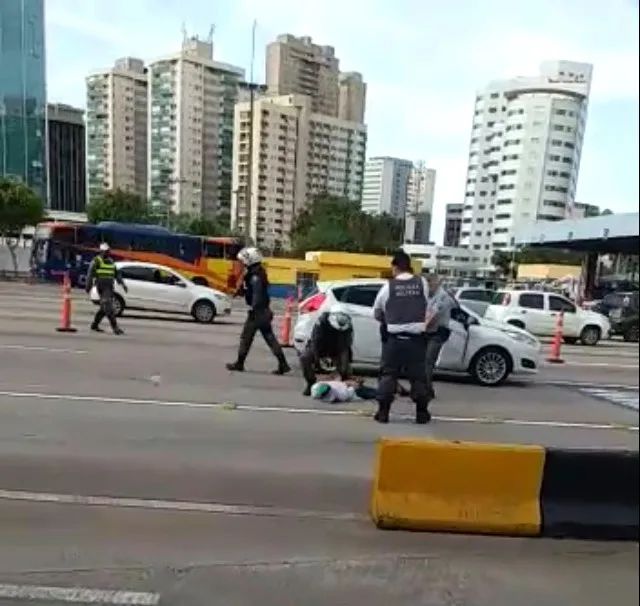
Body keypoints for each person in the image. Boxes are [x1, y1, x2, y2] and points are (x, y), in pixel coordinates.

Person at [372, 250, 431, 424]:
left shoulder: (388, 287)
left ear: (395, 267)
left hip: (394, 341)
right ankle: (422, 413)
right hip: (416, 341)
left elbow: (377, 313)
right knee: (418, 377)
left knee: (388, 375)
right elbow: (426, 304)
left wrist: (389, 318)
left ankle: (383, 413)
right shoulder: (422, 283)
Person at [226, 246, 291, 375]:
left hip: (257, 313)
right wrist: (242, 292)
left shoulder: (255, 276)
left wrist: (253, 308)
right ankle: (283, 364)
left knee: (246, 338)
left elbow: (257, 294)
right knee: (270, 338)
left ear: (250, 260)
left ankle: (239, 363)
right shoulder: (256, 273)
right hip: (263, 312)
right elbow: (252, 291)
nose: (242, 262)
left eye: (244, 260)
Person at [300, 303, 353, 396]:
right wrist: (317, 361)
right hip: (320, 346)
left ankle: (341, 386)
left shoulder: (348, 326)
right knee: (305, 357)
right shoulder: (321, 321)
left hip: (337, 348)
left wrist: (343, 364)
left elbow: (345, 346)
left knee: (345, 369)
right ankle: (310, 383)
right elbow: (315, 341)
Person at [423, 273, 456, 400]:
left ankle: (426, 390)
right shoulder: (428, 295)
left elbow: (432, 315)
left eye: (429, 284)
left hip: (437, 332)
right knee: (423, 362)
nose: (427, 287)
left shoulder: (443, 297)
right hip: (427, 331)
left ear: (435, 284)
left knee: (428, 361)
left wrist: (419, 327)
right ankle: (426, 388)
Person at [85, 242, 127, 335]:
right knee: (108, 306)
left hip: (109, 286)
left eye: (108, 251)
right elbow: (90, 275)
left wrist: (122, 284)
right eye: (105, 252)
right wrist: (88, 287)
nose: (107, 253)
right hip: (102, 286)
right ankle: (115, 327)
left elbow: (117, 274)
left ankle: (95, 325)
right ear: (101, 251)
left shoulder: (111, 261)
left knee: (104, 308)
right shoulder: (96, 261)